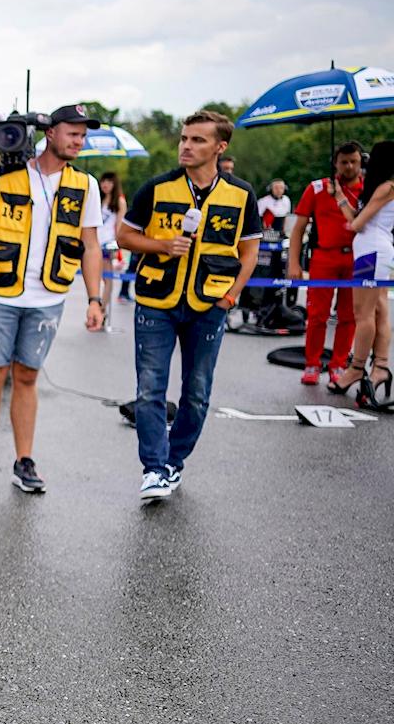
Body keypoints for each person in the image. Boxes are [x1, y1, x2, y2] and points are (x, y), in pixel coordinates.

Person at [0, 105, 105, 494]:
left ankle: (24, 460)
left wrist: (95, 299)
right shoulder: (7, 174)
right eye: (72, 133)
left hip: (48, 297)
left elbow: (91, 245)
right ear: (50, 133)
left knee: (27, 377)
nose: (79, 141)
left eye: (83, 135)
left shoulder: (85, 185)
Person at [115, 110, 262, 500]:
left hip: (210, 303)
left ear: (220, 146)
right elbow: (124, 237)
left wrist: (231, 296)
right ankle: (153, 468)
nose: (186, 146)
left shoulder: (241, 194)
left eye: (197, 140)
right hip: (156, 300)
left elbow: (249, 252)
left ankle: (173, 462)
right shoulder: (157, 188)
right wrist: (162, 245)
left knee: (196, 393)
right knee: (150, 389)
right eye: (184, 138)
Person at [288, 142, 365, 388]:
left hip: (357, 258)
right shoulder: (317, 188)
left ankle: (339, 364)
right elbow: (298, 228)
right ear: (335, 163)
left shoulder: (369, 189)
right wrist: (293, 262)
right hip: (324, 257)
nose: (349, 167)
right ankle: (312, 363)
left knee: (349, 315)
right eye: (344, 162)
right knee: (317, 314)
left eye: (354, 161)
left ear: (361, 162)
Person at [334, 140, 394, 411]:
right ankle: (379, 366)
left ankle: (357, 368)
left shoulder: (386, 187)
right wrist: (341, 198)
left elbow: (358, 224)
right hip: (371, 250)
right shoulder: (381, 187)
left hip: (372, 252)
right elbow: (356, 220)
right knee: (377, 310)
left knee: (364, 313)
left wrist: (354, 220)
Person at [95, 170, 127, 312]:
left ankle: (102, 309)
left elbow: (119, 226)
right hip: (95, 242)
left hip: (108, 243)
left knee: (107, 278)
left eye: (109, 182)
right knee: (96, 277)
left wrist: (116, 247)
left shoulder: (119, 201)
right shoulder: (99, 199)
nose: (105, 184)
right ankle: (96, 306)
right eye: (103, 181)